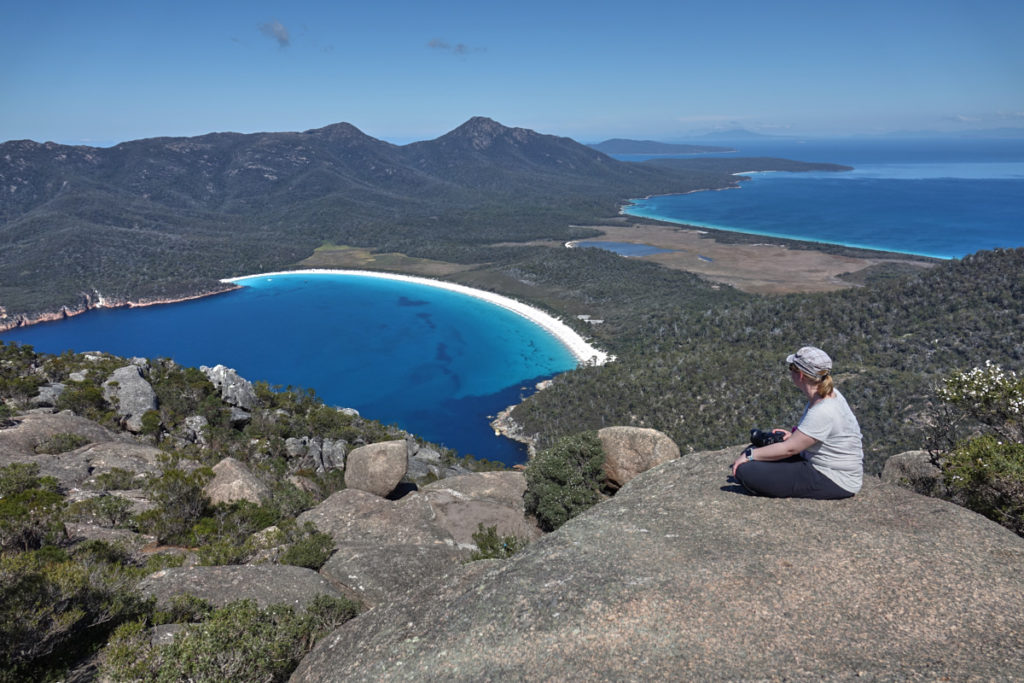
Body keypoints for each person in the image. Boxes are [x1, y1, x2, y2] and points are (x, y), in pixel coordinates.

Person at [731, 346, 863, 499]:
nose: (790, 372)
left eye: (791, 368)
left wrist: (749, 455)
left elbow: (789, 450)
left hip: (832, 477)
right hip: (826, 465)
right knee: (758, 449)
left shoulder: (823, 409)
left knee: (746, 470)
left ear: (800, 375)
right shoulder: (828, 395)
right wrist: (795, 436)